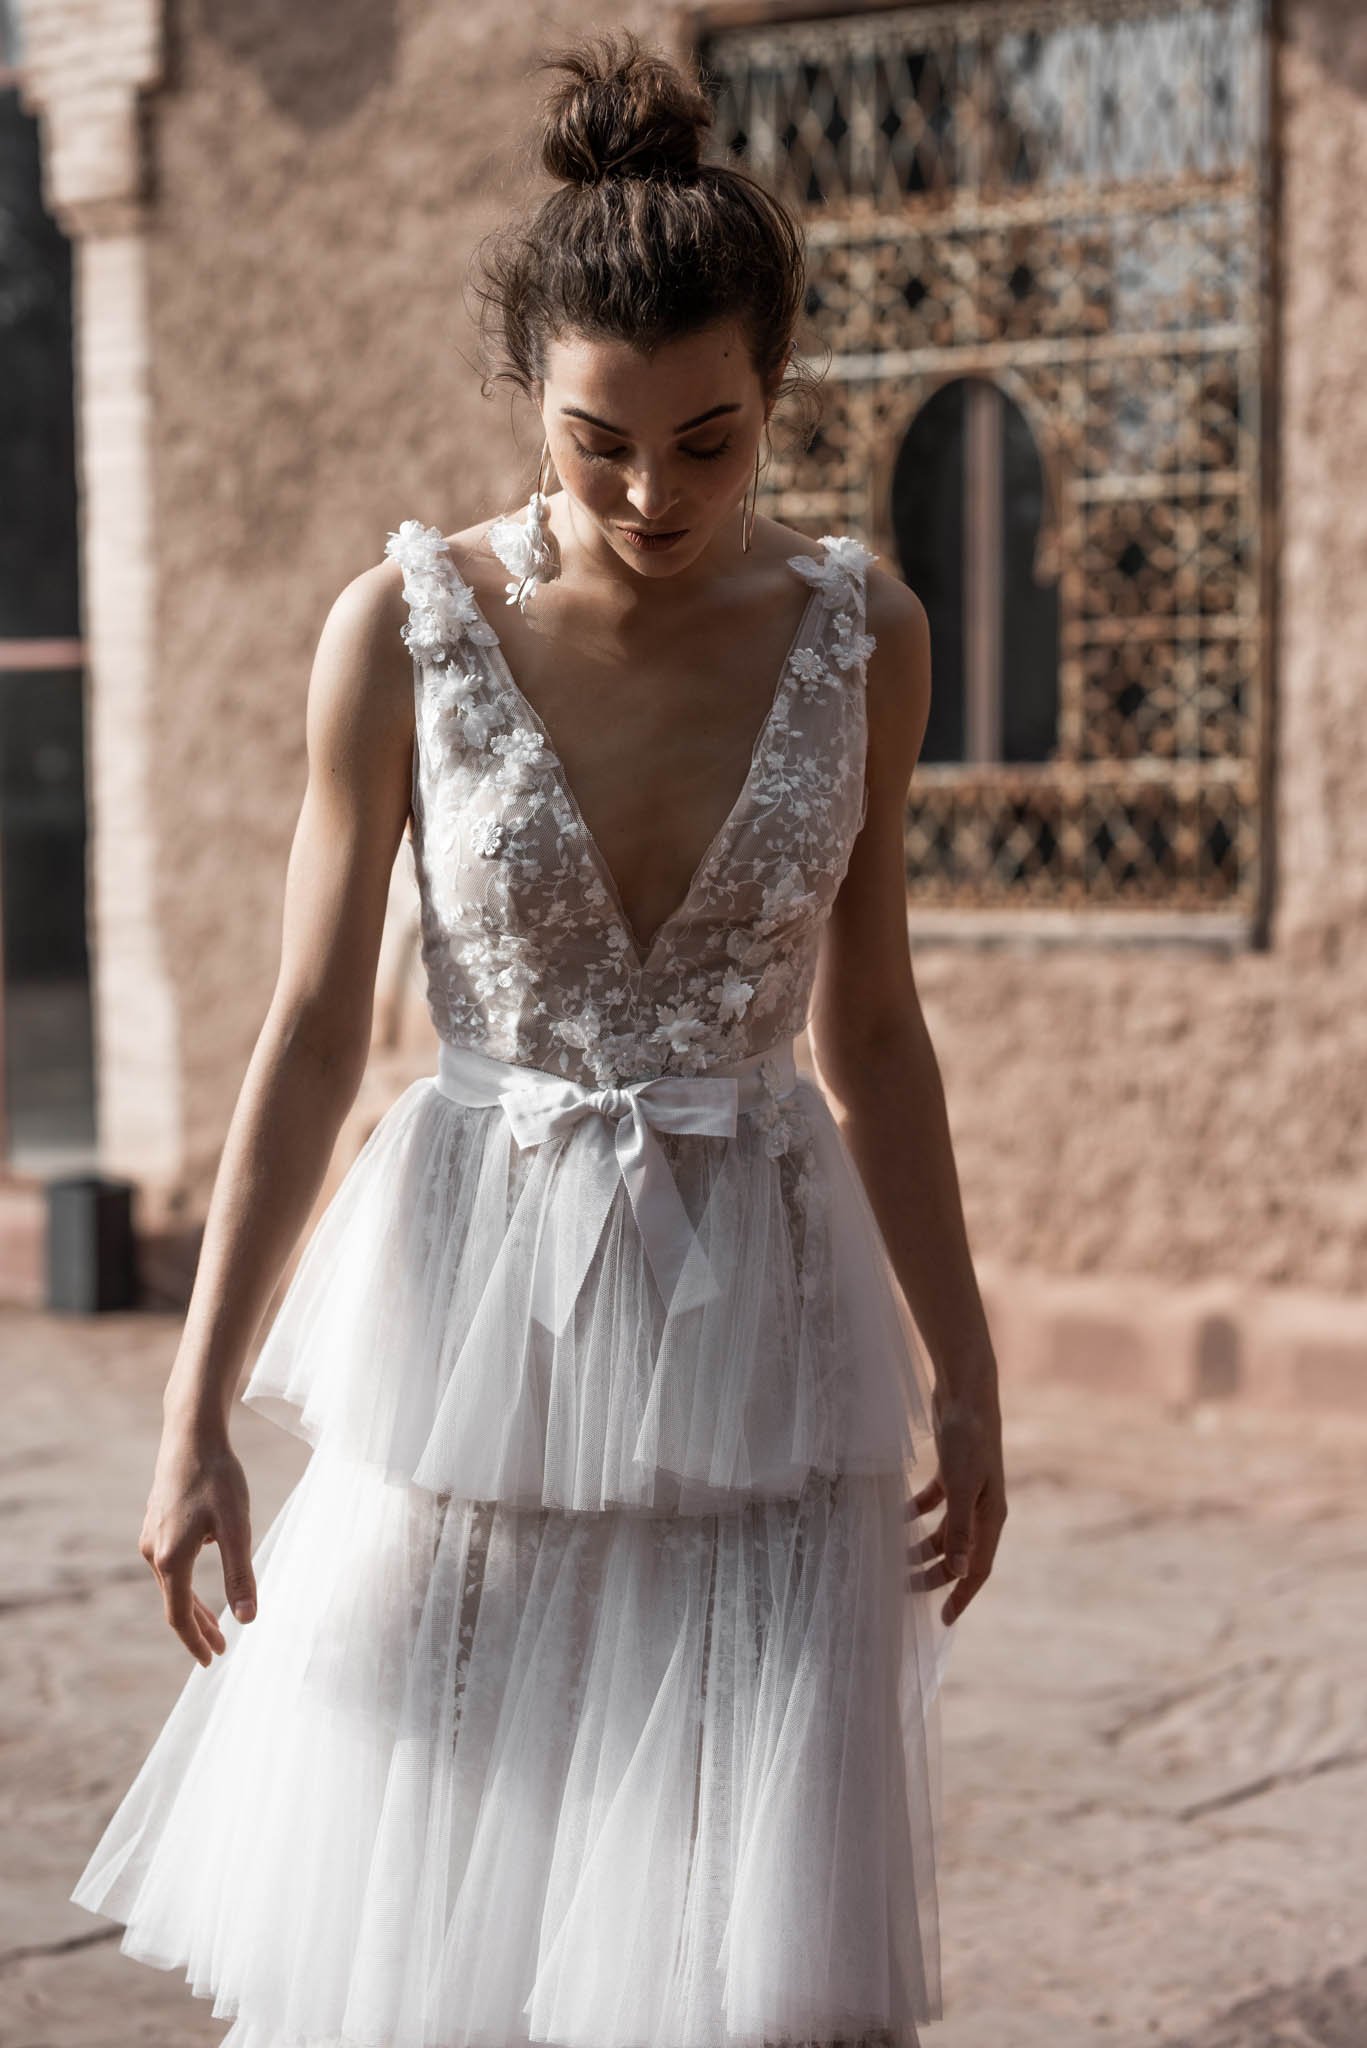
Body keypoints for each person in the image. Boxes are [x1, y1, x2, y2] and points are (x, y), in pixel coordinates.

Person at [69, 29, 1006, 2048]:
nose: (653, 494)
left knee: (755, 1938)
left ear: (775, 396)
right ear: (530, 391)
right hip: (473, 1318)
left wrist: (974, 1372)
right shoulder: (398, 631)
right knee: (431, 1905)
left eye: (710, 439)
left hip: (762, 1314)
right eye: (601, 440)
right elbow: (315, 1027)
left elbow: (880, 1029)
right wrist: (193, 1412)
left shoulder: (870, 635)